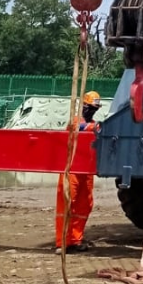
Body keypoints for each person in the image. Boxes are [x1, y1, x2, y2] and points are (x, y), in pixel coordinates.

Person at [55, 91, 101, 253]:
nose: (92, 111)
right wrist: (94, 127)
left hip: (86, 171)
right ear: (84, 106)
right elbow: (77, 129)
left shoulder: (94, 124)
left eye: (95, 108)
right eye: (90, 107)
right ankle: (62, 242)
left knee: (84, 205)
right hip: (71, 168)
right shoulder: (75, 121)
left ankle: (75, 239)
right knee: (67, 203)